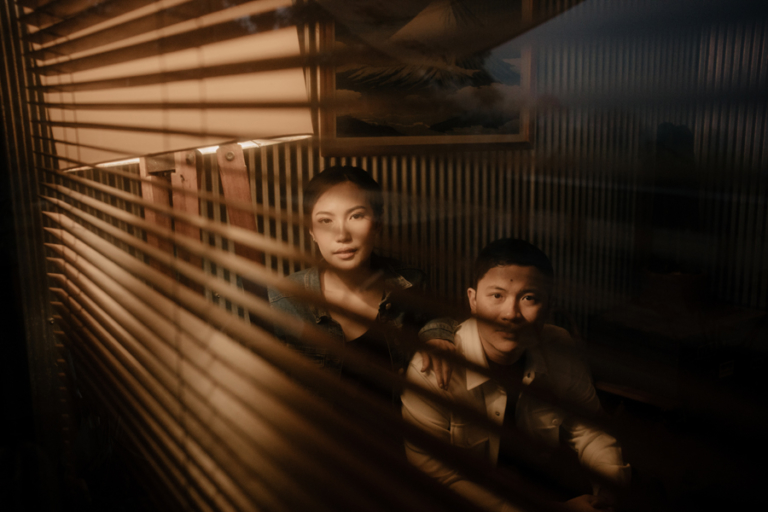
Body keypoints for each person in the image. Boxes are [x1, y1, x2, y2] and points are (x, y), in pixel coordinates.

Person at [401, 238, 630, 512]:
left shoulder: (559, 348)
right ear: (473, 300)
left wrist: (608, 489)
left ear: (548, 306)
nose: (511, 314)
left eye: (529, 298)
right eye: (497, 296)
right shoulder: (432, 369)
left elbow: (590, 431)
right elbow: (439, 479)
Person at [268, 165, 455, 407]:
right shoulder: (285, 299)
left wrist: (436, 335)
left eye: (356, 216)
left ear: (378, 222)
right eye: (325, 220)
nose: (342, 235)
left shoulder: (410, 285)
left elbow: (437, 318)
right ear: (311, 231)